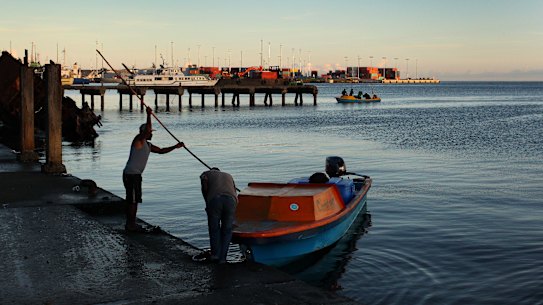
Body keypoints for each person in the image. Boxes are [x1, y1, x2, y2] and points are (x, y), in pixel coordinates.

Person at [123, 106, 184, 232]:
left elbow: (161, 151)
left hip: (136, 175)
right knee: (133, 201)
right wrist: (149, 114)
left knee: (134, 200)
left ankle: (131, 223)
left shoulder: (148, 145)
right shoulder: (138, 140)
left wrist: (176, 146)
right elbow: (145, 132)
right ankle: (130, 225)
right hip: (131, 174)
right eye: (150, 132)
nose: (151, 134)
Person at [200, 167, 238, 263]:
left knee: (214, 228)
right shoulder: (228, 175)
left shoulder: (206, 174)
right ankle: (223, 258)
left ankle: (215, 255)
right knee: (227, 230)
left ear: (212, 170)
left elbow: (205, 188)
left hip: (215, 199)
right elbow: (234, 191)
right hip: (232, 201)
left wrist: (207, 203)